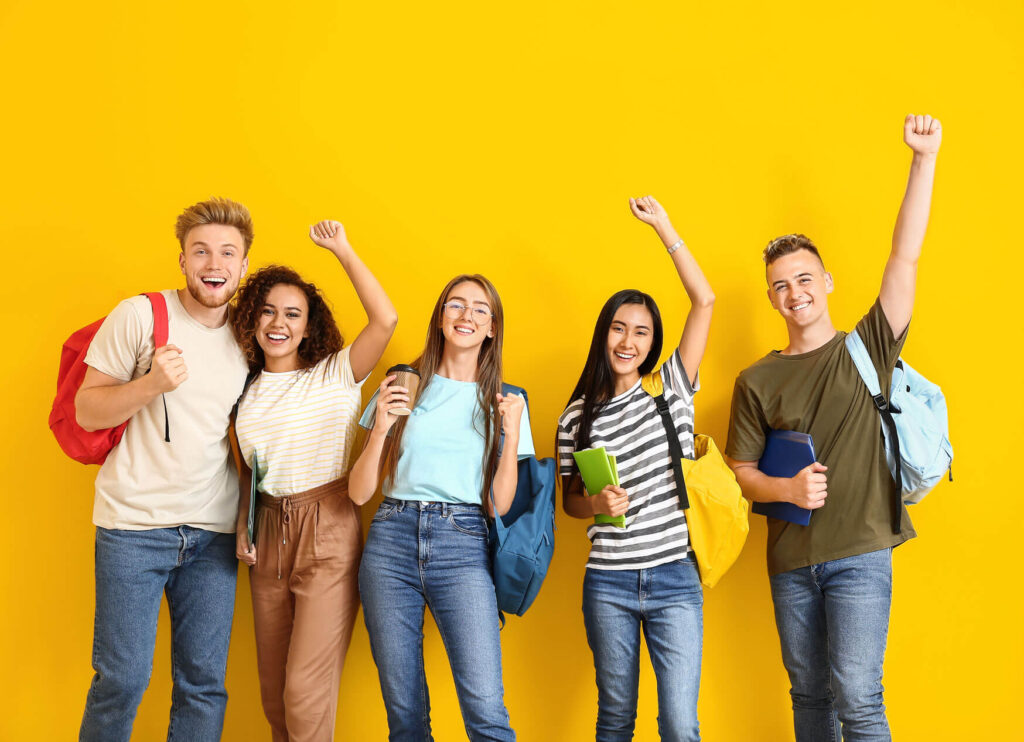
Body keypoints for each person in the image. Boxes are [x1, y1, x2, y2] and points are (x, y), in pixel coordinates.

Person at [724, 115, 943, 742]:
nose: (794, 293)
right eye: (780, 286)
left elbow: (905, 256)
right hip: (790, 562)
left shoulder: (868, 347)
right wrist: (785, 490)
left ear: (826, 283)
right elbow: (741, 473)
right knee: (809, 696)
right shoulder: (755, 380)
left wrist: (923, 160)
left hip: (861, 552)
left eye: (804, 279)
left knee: (859, 698)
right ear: (771, 298)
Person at [76, 197, 253, 742]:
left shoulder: (248, 334)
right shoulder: (139, 315)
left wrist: (245, 521)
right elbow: (87, 410)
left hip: (212, 534)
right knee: (122, 680)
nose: (214, 264)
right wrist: (151, 383)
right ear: (182, 260)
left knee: (203, 687)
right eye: (201, 251)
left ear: (244, 264)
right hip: (133, 528)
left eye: (227, 252)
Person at [348, 274, 533, 742]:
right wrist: (381, 427)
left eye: (480, 309)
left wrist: (510, 436)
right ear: (440, 317)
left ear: (492, 327)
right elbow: (358, 493)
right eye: (456, 304)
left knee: (486, 712)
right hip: (390, 540)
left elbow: (498, 505)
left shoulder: (506, 401)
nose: (467, 315)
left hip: (463, 544)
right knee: (405, 717)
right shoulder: (403, 384)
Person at [231, 219, 397, 741]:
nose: (278, 323)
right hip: (267, 538)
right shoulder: (244, 390)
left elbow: (385, 319)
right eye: (268, 311)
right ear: (253, 319)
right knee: (275, 697)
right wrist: (242, 524)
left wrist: (342, 249)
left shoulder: (335, 374)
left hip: (327, 531)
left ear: (308, 327)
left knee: (305, 696)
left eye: (292, 314)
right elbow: (249, 471)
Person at [557, 197, 715, 741]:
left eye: (641, 332)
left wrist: (664, 228)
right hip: (608, 582)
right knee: (615, 720)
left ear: (653, 342)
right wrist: (596, 504)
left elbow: (704, 300)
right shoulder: (575, 417)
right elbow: (569, 503)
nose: (628, 342)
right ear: (603, 334)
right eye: (619, 329)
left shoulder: (670, 388)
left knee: (679, 724)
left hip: (674, 575)